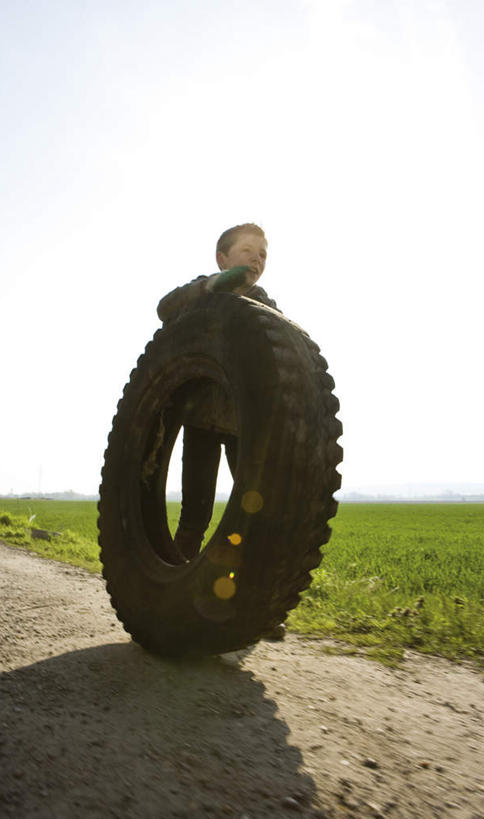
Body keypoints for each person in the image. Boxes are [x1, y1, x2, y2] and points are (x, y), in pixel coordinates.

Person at [157, 223, 286, 640]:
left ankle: (250, 605)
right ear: (223, 259)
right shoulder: (204, 291)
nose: (257, 259)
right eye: (248, 250)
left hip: (240, 424)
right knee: (196, 510)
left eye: (263, 255)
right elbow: (165, 308)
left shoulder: (264, 305)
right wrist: (214, 286)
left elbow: (283, 351)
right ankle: (172, 592)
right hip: (199, 421)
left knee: (252, 509)